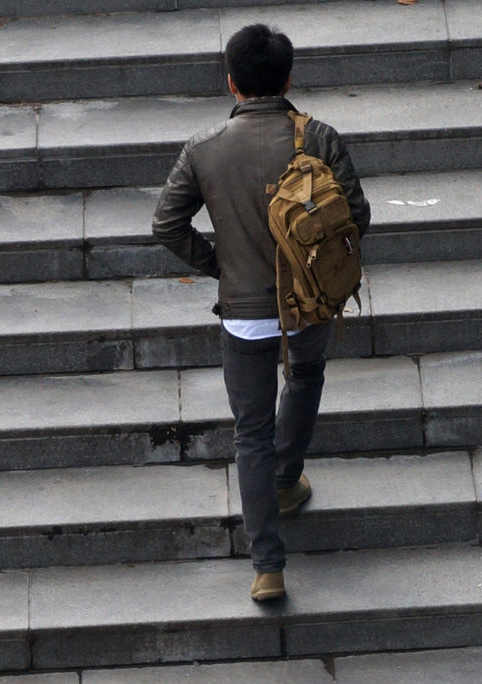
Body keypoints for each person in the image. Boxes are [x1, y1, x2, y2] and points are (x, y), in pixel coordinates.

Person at [152, 23, 370, 602]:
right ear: (288, 79)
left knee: (249, 432)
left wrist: (220, 265)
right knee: (306, 374)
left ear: (232, 82)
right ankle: (285, 480)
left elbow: (166, 224)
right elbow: (358, 216)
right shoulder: (318, 137)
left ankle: (268, 567)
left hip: (244, 312)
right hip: (311, 303)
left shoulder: (203, 148)